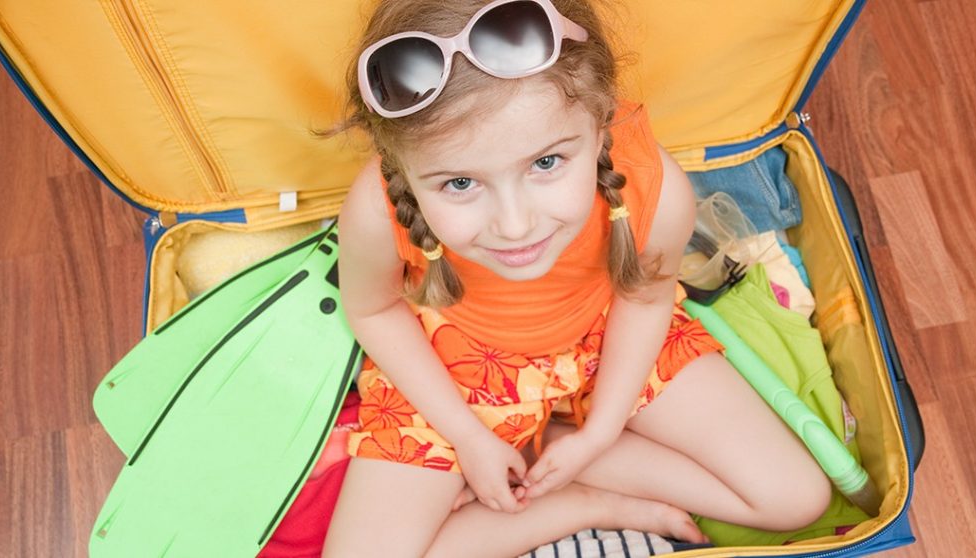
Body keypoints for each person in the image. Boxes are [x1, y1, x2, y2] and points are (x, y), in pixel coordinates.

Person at [324, 1, 831, 556]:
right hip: (457, 367)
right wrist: (469, 439)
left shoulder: (653, 188)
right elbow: (374, 309)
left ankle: (553, 444)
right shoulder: (376, 208)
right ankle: (583, 502)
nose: (515, 226)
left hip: (608, 333)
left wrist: (598, 434)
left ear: (600, 120)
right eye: (460, 183)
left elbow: (645, 300)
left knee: (797, 498)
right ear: (400, 166)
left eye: (545, 164)